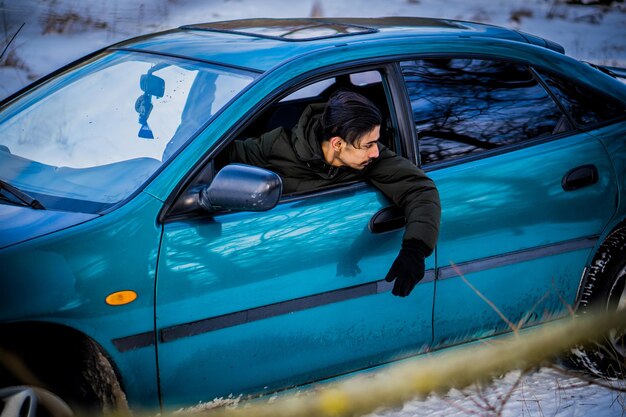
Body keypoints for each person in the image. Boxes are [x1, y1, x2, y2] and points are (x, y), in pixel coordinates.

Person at [226, 91, 441, 297]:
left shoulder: (371, 159)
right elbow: (221, 156)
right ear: (337, 143)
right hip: (276, 263)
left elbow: (419, 189)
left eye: (376, 141)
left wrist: (415, 250)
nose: (376, 151)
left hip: (321, 260)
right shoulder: (275, 147)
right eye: (369, 144)